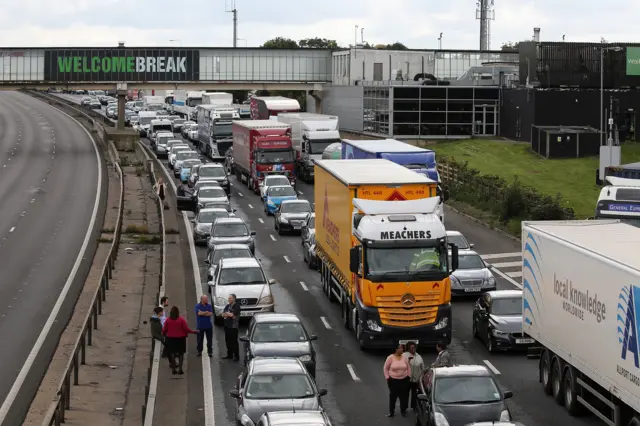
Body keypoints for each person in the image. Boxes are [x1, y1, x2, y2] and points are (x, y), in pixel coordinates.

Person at [162, 306, 198, 375]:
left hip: (171, 339)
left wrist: (163, 334)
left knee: (172, 353)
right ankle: (180, 369)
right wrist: (193, 332)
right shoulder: (181, 320)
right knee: (181, 353)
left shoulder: (168, 320)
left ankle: (173, 369)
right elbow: (186, 329)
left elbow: (164, 330)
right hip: (180, 339)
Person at [383, 343, 411, 418]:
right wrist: (387, 377)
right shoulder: (390, 358)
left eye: (402, 348)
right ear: (396, 349)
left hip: (404, 380)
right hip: (393, 381)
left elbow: (408, 367)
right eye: (400, 348)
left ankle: (403, 410)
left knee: (404, 396)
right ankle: (391, 412)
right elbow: (385, 368)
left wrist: (408, 376)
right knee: (393, 397)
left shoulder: (404, 357)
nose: (402, 349)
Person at [403, 341, 425, 410]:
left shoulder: (419, 356)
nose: (413, 349)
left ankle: (414, 407)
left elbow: (422, 367)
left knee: (415, 394)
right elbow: (401, 366)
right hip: (406, 379)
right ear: (408, 348)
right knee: (405, 395)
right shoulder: (404, 356)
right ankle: (404, 408)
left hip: (416, 379)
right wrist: (408, 361)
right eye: (411, 348)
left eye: (414, 347)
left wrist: (422, 377)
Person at [222, 294, 241, 361]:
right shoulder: (227, 306)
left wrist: (229, 314)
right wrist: (228, 314)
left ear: (234, 299)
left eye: (230, 298)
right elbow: (223, 314)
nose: (229, 299)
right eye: (228, 298)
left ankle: (236, 356)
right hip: (227, 326)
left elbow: (233, 315)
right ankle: (229, 354)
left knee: (234, 342)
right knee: (228, 341)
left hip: (233, 326)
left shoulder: (237, 306)